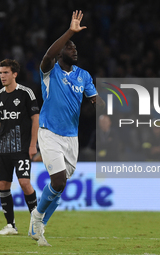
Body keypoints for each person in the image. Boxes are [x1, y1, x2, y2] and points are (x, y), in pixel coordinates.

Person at [29, 10, 105, 246]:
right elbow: (48, 54)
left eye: (75, 47)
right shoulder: (50, 72)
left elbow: (94, 100)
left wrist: (100, 104)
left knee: (59, 189)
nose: (75, 50)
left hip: (71, 137)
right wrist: (70, 32)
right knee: (59, 181)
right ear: (61, 52)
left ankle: (39, 228)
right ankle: (37, 216)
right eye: (70, 47)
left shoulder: (84, 76)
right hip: (49, 132)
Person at [0, 59, 39, 235]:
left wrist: (33, 144)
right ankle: (11, 225)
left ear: (14, 74)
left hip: (21, 147)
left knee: (25, 183)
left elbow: (35, 119)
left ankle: (37, 222)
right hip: (2, 148)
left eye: (6, 72)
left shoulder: (26, 93)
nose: (2, 76)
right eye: (1, 73)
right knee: (3, 184)